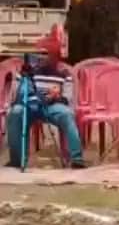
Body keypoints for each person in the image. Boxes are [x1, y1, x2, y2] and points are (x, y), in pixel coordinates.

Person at [4, 25, 87, 169]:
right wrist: (24, 82)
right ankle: (17, 160)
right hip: (29, 105)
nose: (41, 58)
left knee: (67, 114)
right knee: (15, 112)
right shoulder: (26, 72)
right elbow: (15, 97)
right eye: (39, 54)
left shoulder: (64, 74)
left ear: (54, 56)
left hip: (52, 106)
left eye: (46, 54)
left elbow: (68, 99)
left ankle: (76, 158)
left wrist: (56, 97)